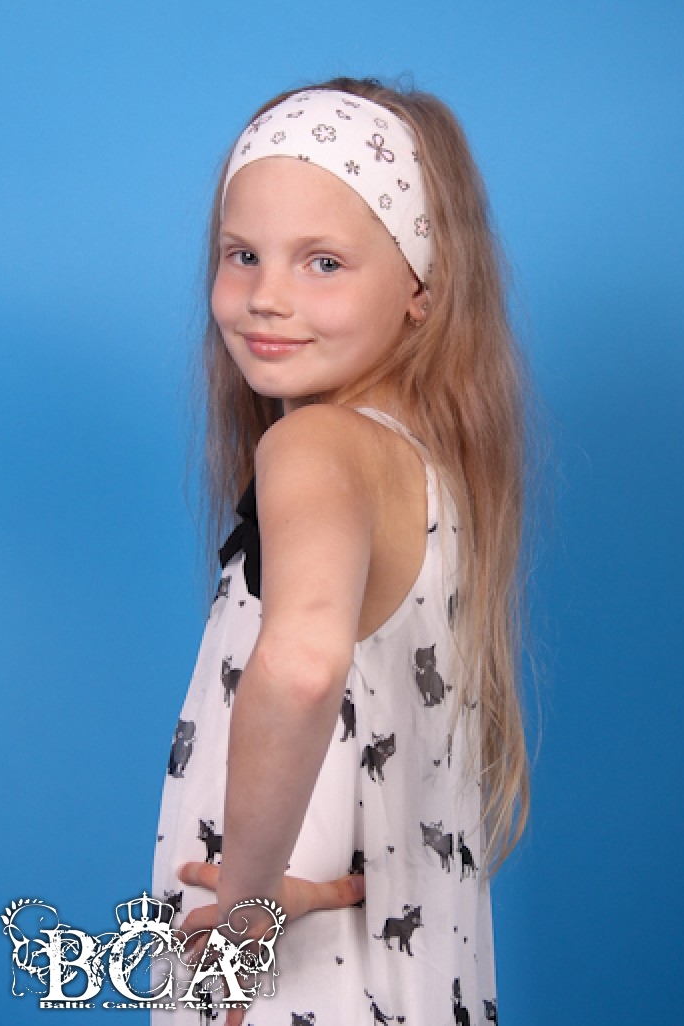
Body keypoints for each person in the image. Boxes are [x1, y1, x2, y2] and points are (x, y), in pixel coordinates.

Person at [152, 76, 530, 1026]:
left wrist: (244, 913)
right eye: (243, 255)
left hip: (297, 985)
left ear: (421, 288)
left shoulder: (315, 446)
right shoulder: (429, 471)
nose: (266, 297)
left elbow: (302, 667)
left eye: (323, 262)